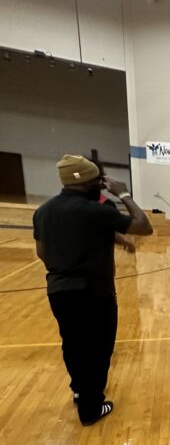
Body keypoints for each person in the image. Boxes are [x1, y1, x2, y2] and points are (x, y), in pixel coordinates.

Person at [32, 154, 153, 425]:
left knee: (73, 344)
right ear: (88, 182)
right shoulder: (96, 210)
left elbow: (42, 252)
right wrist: (124, 194)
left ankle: (80, 390)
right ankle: (92, 408)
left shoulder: (43, 211)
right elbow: (144, 226)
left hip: (59, 291)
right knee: (98, 349)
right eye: (98, 181)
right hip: (94, 292)